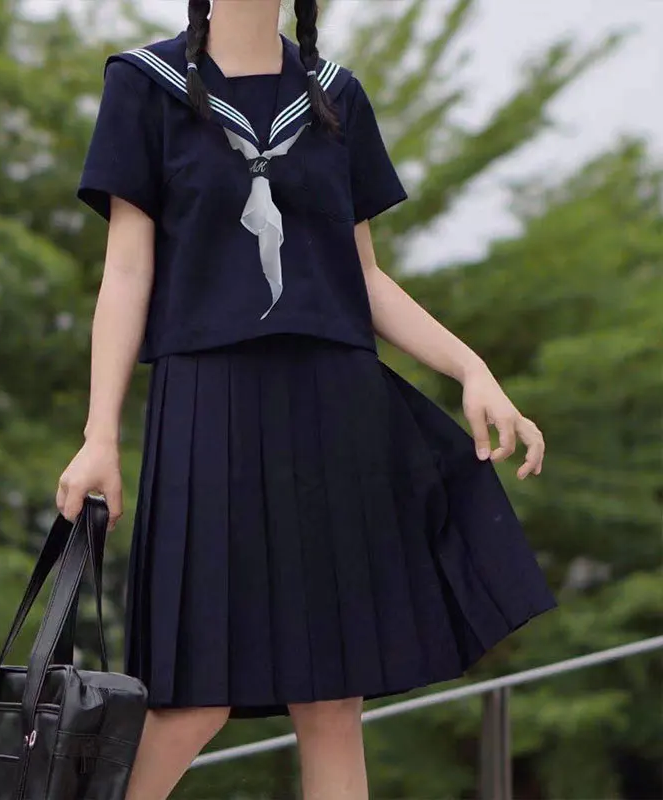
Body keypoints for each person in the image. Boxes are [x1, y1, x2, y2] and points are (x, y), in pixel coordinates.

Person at [56, 1, 559, 798]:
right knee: (191, 699)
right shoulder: (143, 85)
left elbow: (360, 276)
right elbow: (125, 271)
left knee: (331, 702)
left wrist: (471, 368)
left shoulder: (335, 95)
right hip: (206, 413)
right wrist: (99, 435)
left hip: (333, 415)